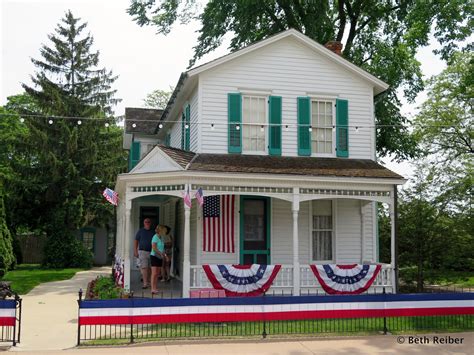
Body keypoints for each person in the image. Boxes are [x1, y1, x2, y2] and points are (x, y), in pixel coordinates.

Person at [133, 218, 154, 289]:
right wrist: (135, 251)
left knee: (151, 268)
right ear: (144, 223)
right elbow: (136, 241)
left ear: (150, 223)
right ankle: (145, 283)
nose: (147, 223)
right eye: (146, 222)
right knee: (144, 267)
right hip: (142, 252)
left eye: (148, 222)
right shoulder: (140, 231)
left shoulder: (153, 232)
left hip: (152, 252)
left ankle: (150, 282)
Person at [150, 225, 168, 294]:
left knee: (157, 273)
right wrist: (160, 253)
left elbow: (162, 249)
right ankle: (152, 289)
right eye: (164, 230)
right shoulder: (155, 237)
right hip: (154, 256)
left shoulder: (161, 238)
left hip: (160, 257)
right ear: (160, 230)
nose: (165, 232)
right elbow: (154, 248)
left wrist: (165, 255)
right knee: (154, 273)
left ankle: (155, 287)